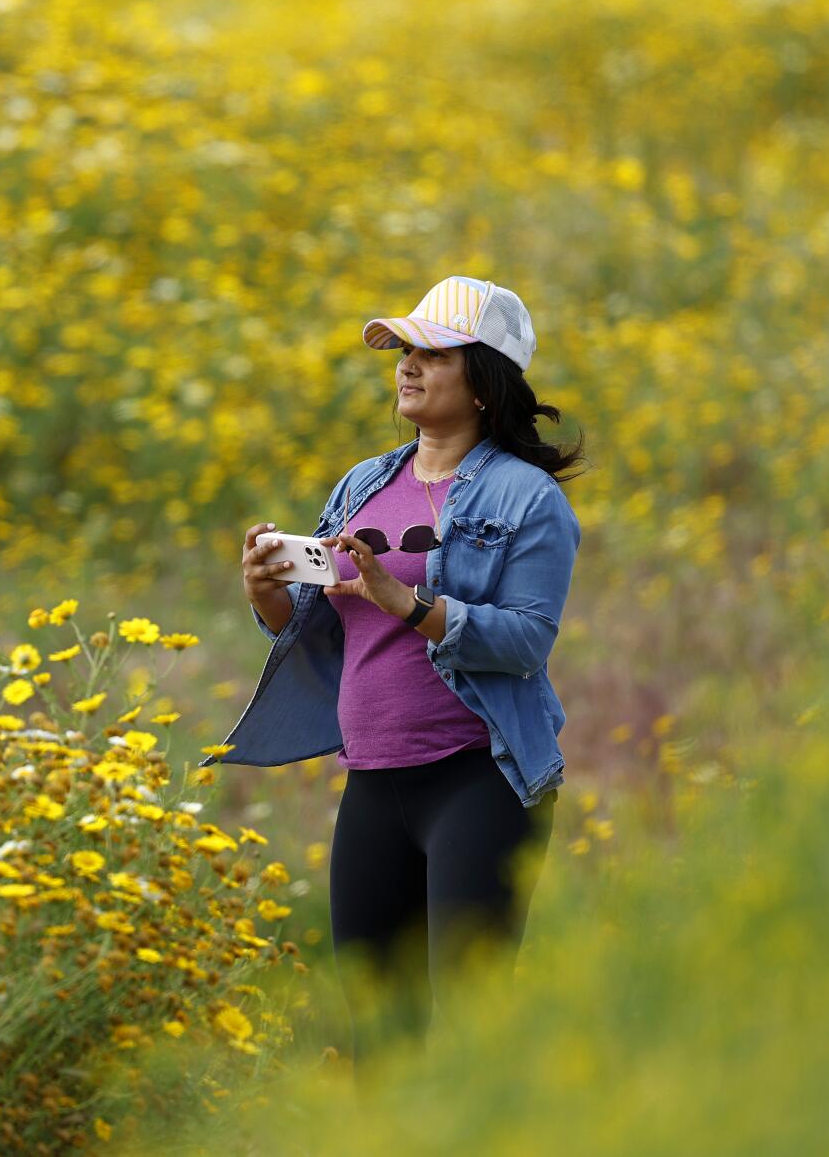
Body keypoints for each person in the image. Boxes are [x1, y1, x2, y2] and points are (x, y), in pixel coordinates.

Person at [213, 275, 588, 1087]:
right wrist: (269, 594)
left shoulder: (528, 499)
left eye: (432, 353)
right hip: (375, 783)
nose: (407, 368)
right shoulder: (362, 485)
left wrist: (407, 602)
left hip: (479, 778)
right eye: (404, 352)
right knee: (378, 1037)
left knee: (472, 1027)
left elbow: (525, 643)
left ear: (485, 380)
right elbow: (319, 631)